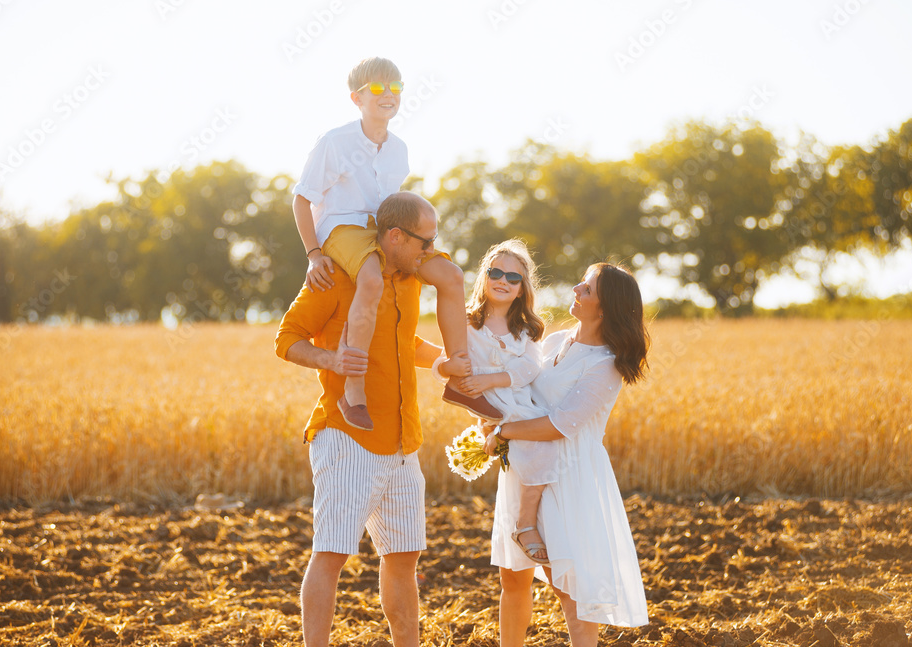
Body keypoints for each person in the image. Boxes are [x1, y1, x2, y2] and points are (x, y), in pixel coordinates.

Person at [275, 192, 448, 647]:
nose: (430, 251)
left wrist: (443, 361)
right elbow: (286, 338)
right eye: (424, 242)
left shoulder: (408, 282)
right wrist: (330, 359)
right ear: (395, 236)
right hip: (345, 436)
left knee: (404, 556)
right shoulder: (335, 275)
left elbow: (404, 342)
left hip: (403, 442)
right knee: (331, 554)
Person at [292, 56, 499, 430]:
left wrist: (418, 237)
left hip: (386, 229)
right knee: (370, 280)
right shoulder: (334, 142)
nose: (388, 94)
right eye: (377, 87)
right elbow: (301, 199)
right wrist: (313, 254)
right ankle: (353, 392)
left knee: (451, 275)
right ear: (356, 98)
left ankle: (460, 377)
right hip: (344, 229)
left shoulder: (399, 148)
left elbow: (393, 206)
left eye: (396, 87)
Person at [484, 262, 651, 646]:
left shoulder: (605, 364)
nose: (576, 288)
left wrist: (504, 431)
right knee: (513, 575)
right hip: (527, 469)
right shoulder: (556, 342)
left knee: (569, 588)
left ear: (605, 307)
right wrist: (492, 414)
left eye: (587, 288)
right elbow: (523, 392)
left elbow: (561, 424)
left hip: (570, 477)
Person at [434, 240, 555, 563]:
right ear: (484, 277)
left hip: (518, 404)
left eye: (513, 278)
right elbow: (441, 361)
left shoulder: (525, 329)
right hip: (490, 408)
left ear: (521, 289)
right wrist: (448, 368)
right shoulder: (465, 323)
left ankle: (527, 520)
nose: (503, 281)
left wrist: (491, 379)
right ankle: (525, 525)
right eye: (496, 272)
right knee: (533, 452)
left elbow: (531, 367)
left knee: (544, 448)